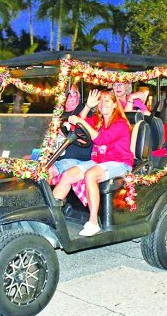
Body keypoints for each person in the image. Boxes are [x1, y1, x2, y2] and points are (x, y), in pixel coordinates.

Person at [52, 89, 134, 237]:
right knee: (68, 175)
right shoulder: (98, 121)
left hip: (120, 163)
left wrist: (81, 121)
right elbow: (78, 127)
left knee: (90, 175)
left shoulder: (120, 124)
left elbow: (101, 139)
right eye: (100, 101)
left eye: (107, 101)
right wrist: (88, 107)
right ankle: (51, 216)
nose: (103, 104)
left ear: (115, 104)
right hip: (99, 161)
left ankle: (93, 222)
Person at [48, 85, 93, 181]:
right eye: (67, 94)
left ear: (79, 95)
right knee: (27, 163)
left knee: (47, 171)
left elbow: (82, 137)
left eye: (73, 93)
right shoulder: (57, 114)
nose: (69, 98)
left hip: (77, 159)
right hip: (55, 157)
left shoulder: (86, 113)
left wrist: (63, 133)